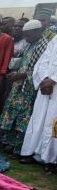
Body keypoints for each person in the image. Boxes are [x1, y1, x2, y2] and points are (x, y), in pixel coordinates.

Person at [0, 20, 50, 158]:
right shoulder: (28, 45)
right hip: (18, 86)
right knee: (11, 115)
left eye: (28, 35)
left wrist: (23, 75)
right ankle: (9, 145)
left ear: (38, 31)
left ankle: (19, 149)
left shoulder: (44, 46)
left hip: (29, 89)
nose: (26, 38)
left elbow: (42, 70)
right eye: (25, 35)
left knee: (23, 119)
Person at [20, 31, 57, 172]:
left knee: (54, 122)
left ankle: (52, 159)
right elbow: (43, 61)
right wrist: (43, 81)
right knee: (39, 119)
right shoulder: (55, 40)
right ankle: (35, 153)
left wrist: (53, 79)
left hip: (54, 86)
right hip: (46, 87)